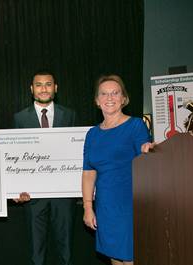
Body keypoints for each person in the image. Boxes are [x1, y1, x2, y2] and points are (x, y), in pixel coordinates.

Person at [81, 74, 151, 265]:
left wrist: (148, 149)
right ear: (97, 101)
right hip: (106, 205)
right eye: (104, 94)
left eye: (115, 93)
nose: (109, 98)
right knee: (114, 258)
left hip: (130, 203)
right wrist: (88, 208)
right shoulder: (92, 134)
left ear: (124, 98)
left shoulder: (136, 125)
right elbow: (88, 173)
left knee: (130, 258)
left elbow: (147, 158)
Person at [13, 70, 76, 265]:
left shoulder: (70, 115)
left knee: (65, 249)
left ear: (55, 88)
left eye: (48, 84)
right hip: (33, 196)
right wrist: (15, 188)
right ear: (32, 89)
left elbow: (76, 152)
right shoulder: (20, 118)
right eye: (39, 85)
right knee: (36, 251)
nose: (44, 89)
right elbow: (15, 157)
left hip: (63, 195)